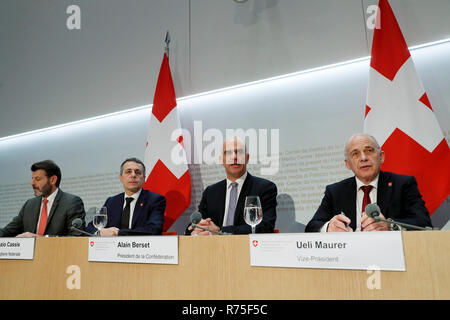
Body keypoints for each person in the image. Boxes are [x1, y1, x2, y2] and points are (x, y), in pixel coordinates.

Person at [305, 133, 432, 232]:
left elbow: (423, 222)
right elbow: (312, 226)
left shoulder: (403, 184)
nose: (363, 158)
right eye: (355, 154)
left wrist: (390, 226)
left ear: (381, 157)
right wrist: (328, 227)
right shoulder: (335, 191)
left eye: (369, 151)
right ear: (348, 164)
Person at [187, 137, 277, 235]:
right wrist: (196, 229)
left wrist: (220, 230)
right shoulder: (211, 192)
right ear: (222, 160)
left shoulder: (265, 188)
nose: (234, 157)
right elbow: (196, 224)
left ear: (247, 158)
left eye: (239, 152)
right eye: (228, 153)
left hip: (247, 248)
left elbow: (265, 227)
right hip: (214, 248)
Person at [0, 160, 86, 237]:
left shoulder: (71, 203)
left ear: (52, 180)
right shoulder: (29, 204)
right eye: (32, 179)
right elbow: (8, 231)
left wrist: (41, 240)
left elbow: (76, 237)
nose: (32, 183)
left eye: (37, 179)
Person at [86, 158, 165, 236]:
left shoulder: (155, 200)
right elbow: (91, 227)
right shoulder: (112, 201)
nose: (133, 175)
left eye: (137, 172)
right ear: (121, 178)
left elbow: (154, 229)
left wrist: (118, 233)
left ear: (144, 178)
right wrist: (100, 232)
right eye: (128, 172)